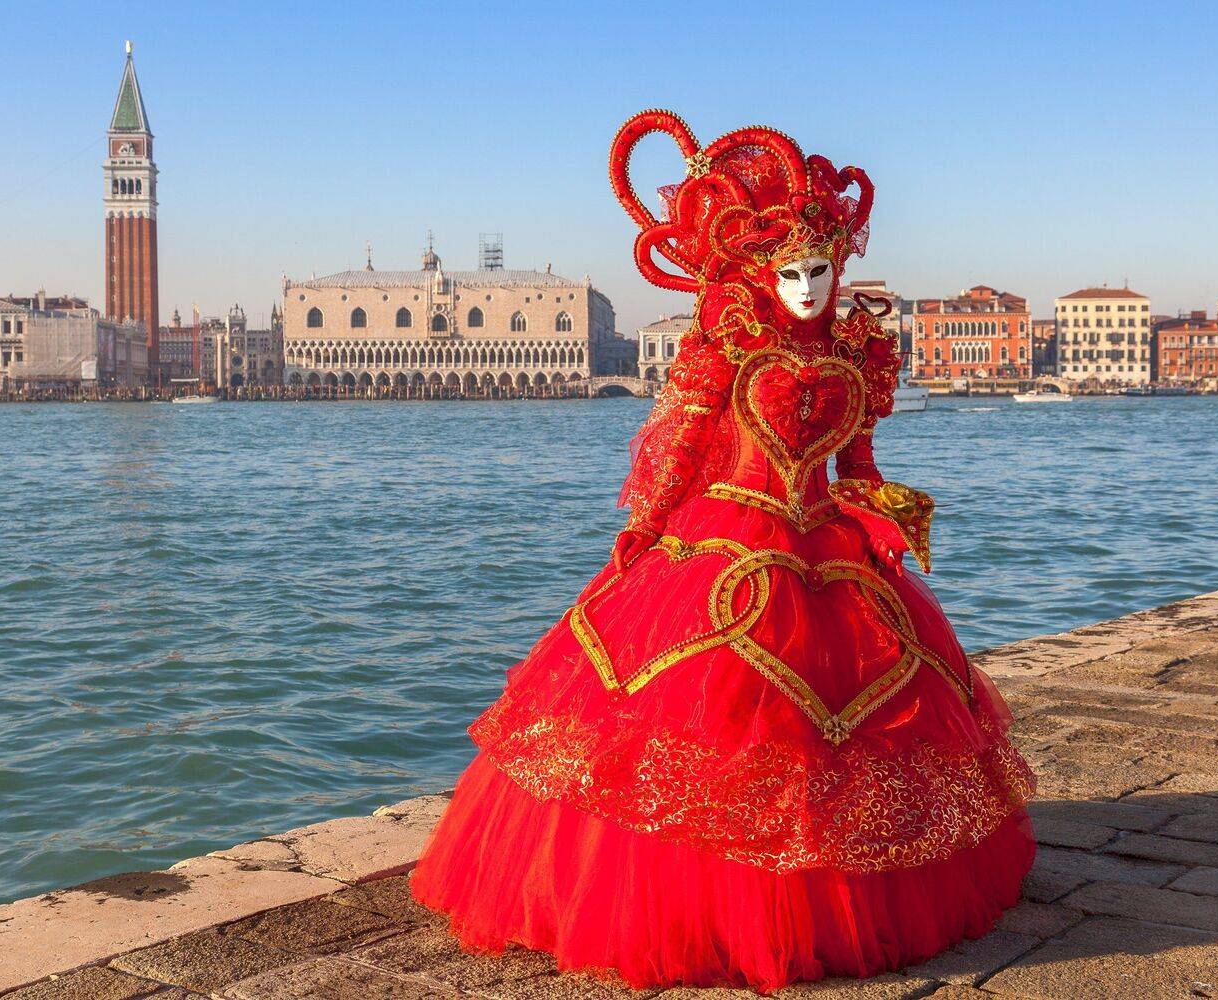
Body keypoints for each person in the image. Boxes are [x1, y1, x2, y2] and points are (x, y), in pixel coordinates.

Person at [410, 109, 1036, 994]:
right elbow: (678, 442)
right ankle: (701, 897)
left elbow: (857, 464)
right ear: (761, 272)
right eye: (792, 272)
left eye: (822, 269)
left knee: (857, 714)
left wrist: (885, 515)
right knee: (707, 710)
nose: (810, 287)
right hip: (726, 538)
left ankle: (841, 889)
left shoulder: (859, 353)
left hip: (833, 546)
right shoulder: (727, 343)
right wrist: (644, 528)